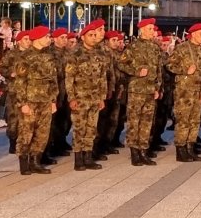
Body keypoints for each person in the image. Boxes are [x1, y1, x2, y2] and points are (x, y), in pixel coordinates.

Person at [10, 27, 57, 175]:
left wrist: (53, 100)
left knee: (42, 133)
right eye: (46, 36)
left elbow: (53, 81)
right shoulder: (24, 57)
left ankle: (36, 161)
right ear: (37, 38)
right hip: (30, 101)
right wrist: (22, 103)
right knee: (26, 132)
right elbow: (19, 82)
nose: (49, 39)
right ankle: (24, 162)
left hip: (45, 100)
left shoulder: (49, 57)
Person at [63, 21, 110, 171]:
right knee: (79, 128)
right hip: (80, 97)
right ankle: (78, 159)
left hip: (95, 97)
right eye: (90, 35)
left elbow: (103, 77)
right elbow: (69, 78)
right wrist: (71, 98)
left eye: (95, 35)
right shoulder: (75, 54)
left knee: (91, 128)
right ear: (83, 37)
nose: (94, 37)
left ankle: (88, 157)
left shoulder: (100, 54)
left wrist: (102, 97)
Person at [121, 19, 165, 165]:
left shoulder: (155, 48)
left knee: (147, 122)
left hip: (150, 90)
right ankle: (134, 151)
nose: (153, 31)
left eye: (153, 29)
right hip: (137, 90)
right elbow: (121, 63)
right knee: (134, 121)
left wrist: (158, 87)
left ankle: (143, 151)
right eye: (150, 29)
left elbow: (159, 70)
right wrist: (136, 72)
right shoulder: (133, 47)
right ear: (143, 30)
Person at [166, 23, 201, 162]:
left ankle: (190, 148)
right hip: (184, 91)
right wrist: (185, 69)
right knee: (183, 121)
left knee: (195, 121)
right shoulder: (182, 48)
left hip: (197, 91)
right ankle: (181, 150)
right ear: (194, 34)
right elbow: (169, 64)